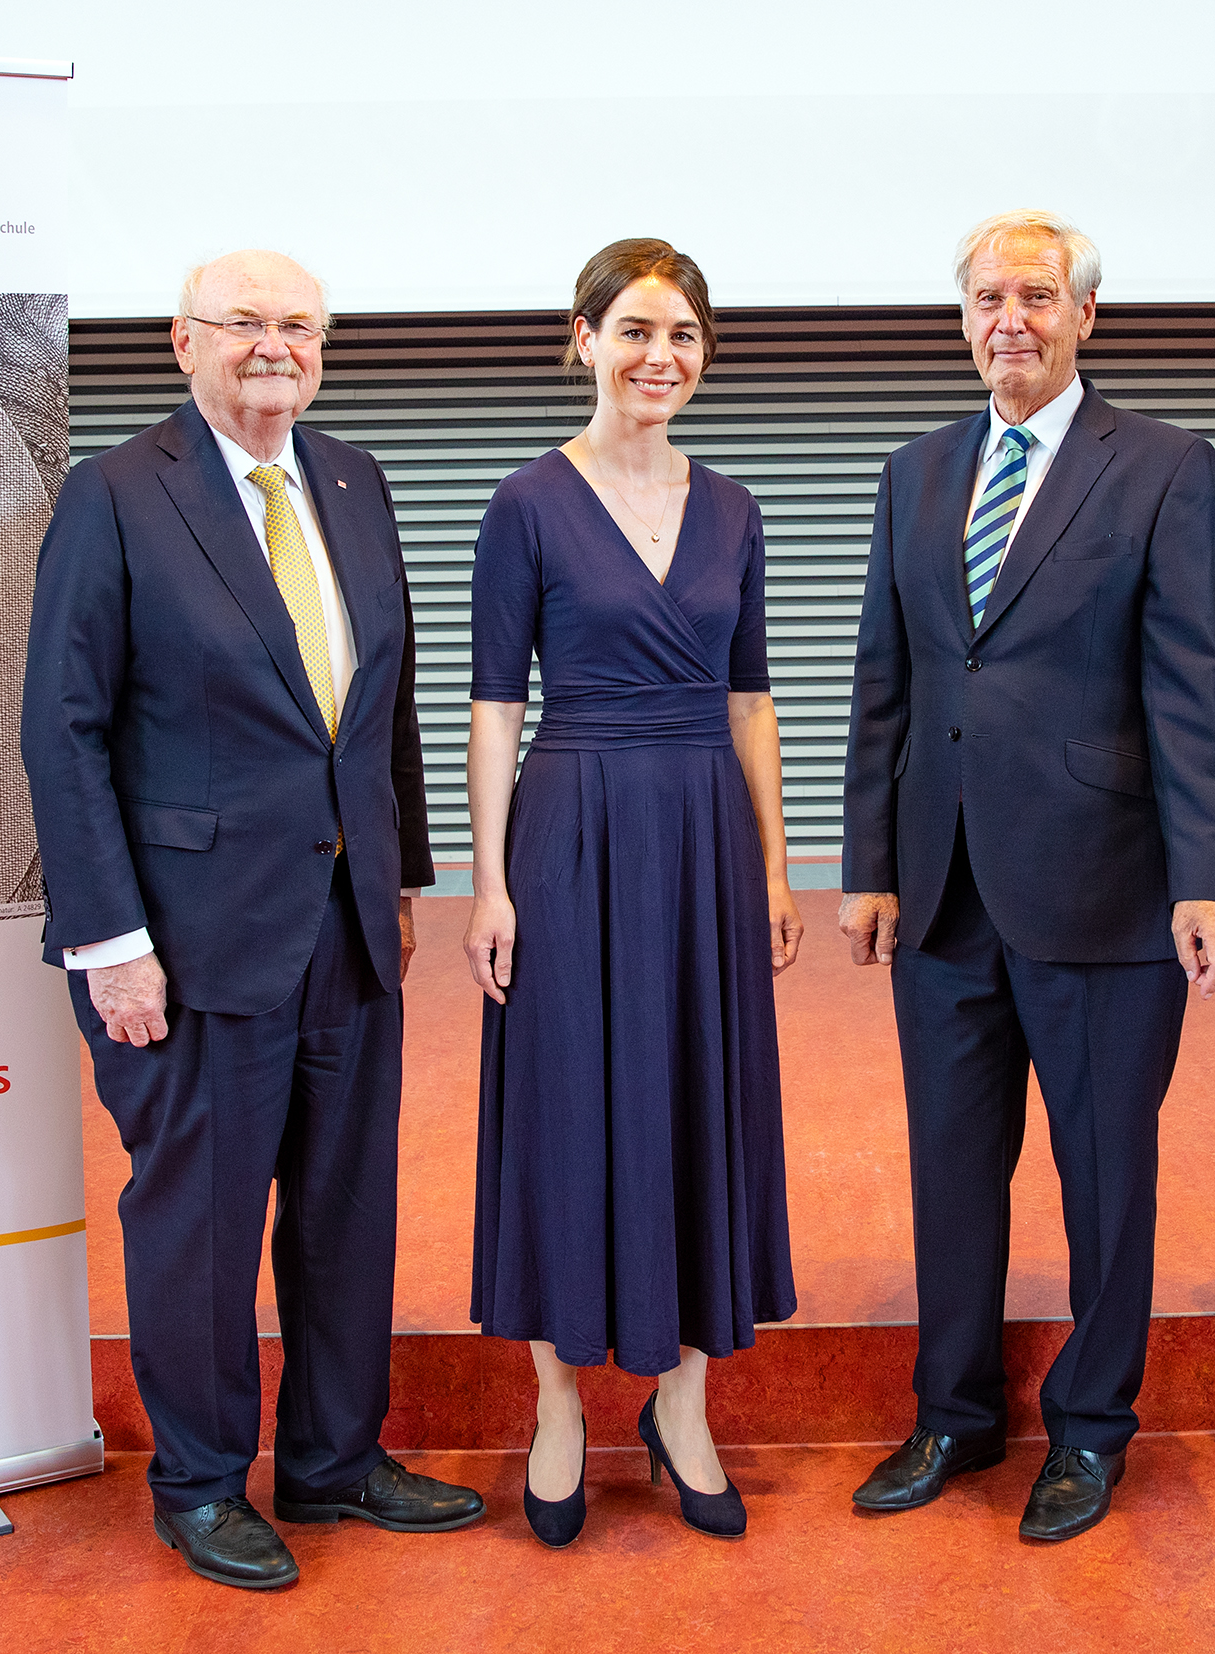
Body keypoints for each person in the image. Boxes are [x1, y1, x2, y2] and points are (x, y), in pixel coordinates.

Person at [22, 249, 482, 1592]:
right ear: (184, 341)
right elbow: (64, 731)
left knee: (346, 1212)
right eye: (245, 324)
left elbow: (378, 700)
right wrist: (108, 942)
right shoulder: (114, 497)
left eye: (298, 325)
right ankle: (202, 1481)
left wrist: (399, 881)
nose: (273, 346)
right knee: (202, 1224)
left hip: (343, 927)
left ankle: (336, 1461)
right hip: (185, 943)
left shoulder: (353, 479)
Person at [839, 211, 1215, 1543]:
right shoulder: (914, 469)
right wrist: (870, 867)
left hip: (1108, 886)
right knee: (953, 1169)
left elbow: (1191, 684)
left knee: (1103, 1174)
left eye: (1037, 293)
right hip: (943, 889)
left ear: (1087, 316)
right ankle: (954, 1414)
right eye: (986, 296)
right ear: (962, 320)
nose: (1009, 315)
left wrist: (1206, 877)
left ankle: (1090, 1428)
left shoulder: (1167, 467)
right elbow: (886, 682)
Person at [464, 238, 802, 1548]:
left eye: (686, 336)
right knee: (565, 1101)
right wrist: (489, 882)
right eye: (640, 330)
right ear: (585, 336)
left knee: (698, 1094)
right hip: (574, 824)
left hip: (705, 831)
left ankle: (683, 1398)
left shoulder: (734, 506)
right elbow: (497, 705)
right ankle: (556, 1397)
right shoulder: (525, 502)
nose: (663, 357)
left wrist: (773, 864)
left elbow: (752, 696)